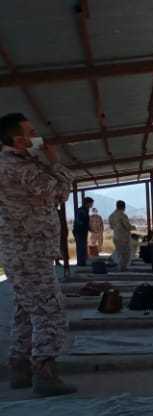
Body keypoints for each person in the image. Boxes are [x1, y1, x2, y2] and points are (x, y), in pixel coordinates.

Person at [0, 112, 77, 396]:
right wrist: (54, 161)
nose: (37, 137)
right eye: (31, 132)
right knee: (49, 310)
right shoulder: (19, 168)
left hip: (22, 250)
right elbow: (61, 191)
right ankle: (44, 373)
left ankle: (19, 367)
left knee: (26, 310)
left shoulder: (19, 163)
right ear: (18, 139)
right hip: (30, 251)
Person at [108, 200, 135, 270]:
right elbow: (127, 226)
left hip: (116, 236)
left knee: (119, 252)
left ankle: (118, 265)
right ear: (123, 207)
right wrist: (133, 227)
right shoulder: (122, 215)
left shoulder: (111, 215)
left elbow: (111, 226)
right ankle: (122, 267)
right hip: (124, 238)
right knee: (126, 254)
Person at [72, 196, 92, 267]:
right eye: (91, 203)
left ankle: (82, 262)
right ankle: (81, 263)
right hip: (79, 232)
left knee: (82, 247)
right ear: (87, 203)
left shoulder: (85, 210)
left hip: (81, 231)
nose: (91, 205)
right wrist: (88, 228)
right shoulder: (82, 211)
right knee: (81, 247)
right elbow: (80, 222)